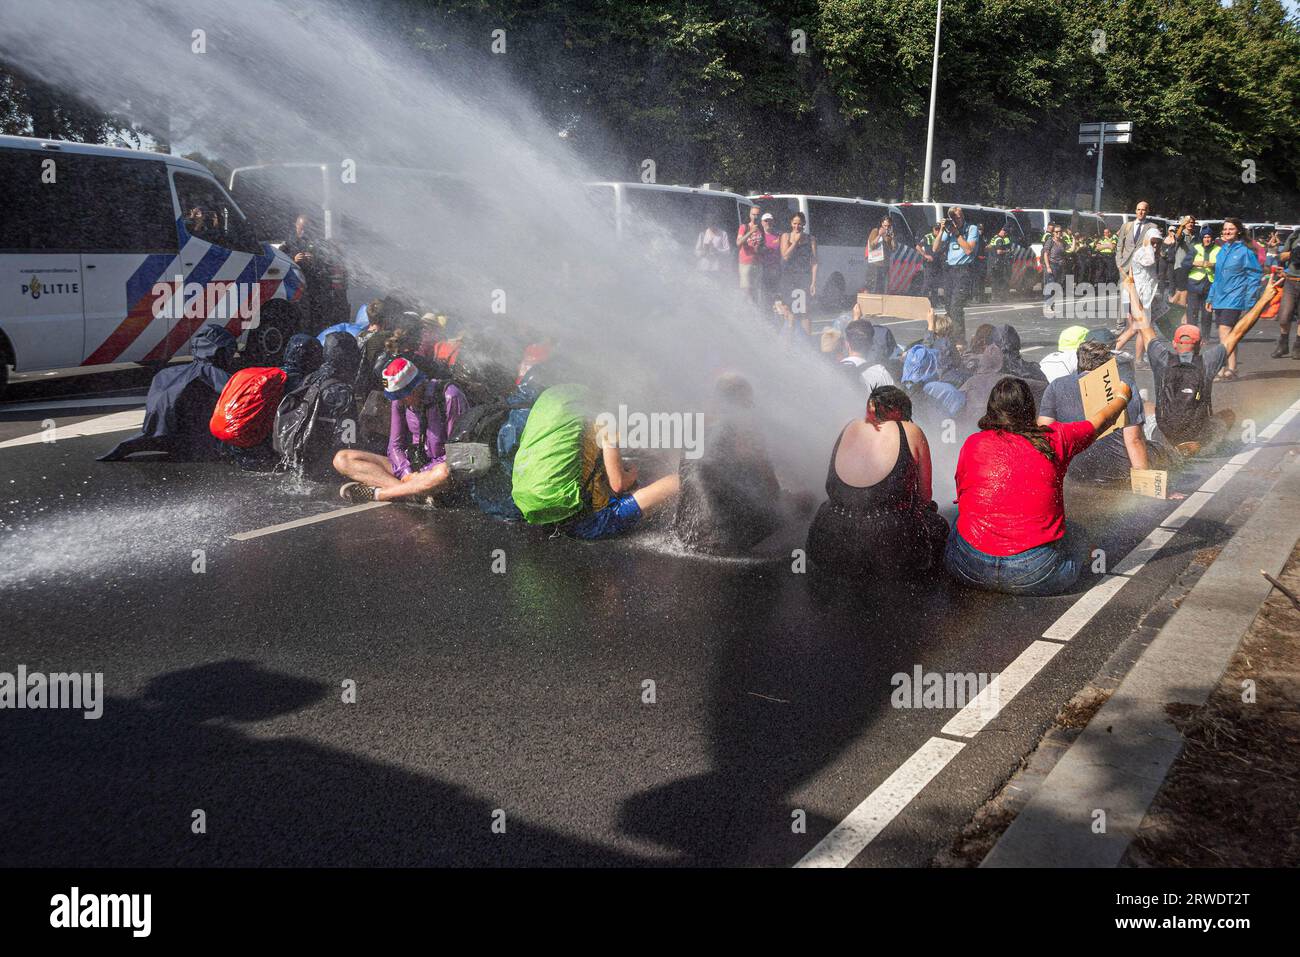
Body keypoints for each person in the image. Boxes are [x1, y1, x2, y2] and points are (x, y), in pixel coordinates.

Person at [944, 375, 1132, 596]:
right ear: (1029, 408)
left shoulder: (973, 443)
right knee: (1078, 535)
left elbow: (964, 494)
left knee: (960, 519)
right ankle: (1084, 567)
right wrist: (1121, 397)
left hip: (969, 567)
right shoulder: (1055, 439)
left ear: (992, 408)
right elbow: (1100, 422)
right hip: (1034, 572)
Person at [806, 385, 949, 579]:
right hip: (885, 547)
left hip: (828, 540)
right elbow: (925, 496)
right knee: (938, 524)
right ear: (898, 411)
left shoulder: (848, 425)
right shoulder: (911, 431)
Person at [1133, 274, 1282, 455]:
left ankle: (1159, 446)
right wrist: (1265, 299)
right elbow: (1238, 331)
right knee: (1228, 415)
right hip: (1198, 436)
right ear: (1201, 344)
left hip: (1164, 434)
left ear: (1174, 344)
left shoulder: (1161, 358)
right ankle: (1203, 446)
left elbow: (1143, 324)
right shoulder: (1207, 362)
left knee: (1146, 405)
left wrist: (1131, 288)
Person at [673, 374, 800, 555]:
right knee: (805, 501)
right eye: (749, 402)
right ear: (742, 401)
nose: (752, 407)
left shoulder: (695, 424)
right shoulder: (745, 430)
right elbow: (772, 492)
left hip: (687, 533)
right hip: (726, 540)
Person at [334, 356, 469, 503]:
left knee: (443, 472)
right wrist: (406, 473)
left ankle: (381, 494)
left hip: (436, 470)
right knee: (342, 459)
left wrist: (422, 473)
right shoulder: (399, 400)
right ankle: (416, 494)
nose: (400, 400)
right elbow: (394, 446)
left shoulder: (450, 396)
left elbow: (457, 453)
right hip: (412, 469)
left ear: (417, 386)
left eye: (403, 395)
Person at [98, 324, 238, 462]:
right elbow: (239, 393)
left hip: (161, 435)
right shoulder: (213, 375)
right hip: (196, 441)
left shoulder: (167, 373)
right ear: (221, 352)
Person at [1037, 339, 1149, 483]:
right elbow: (1134, 440)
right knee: (1157, 449)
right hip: (1116, 474)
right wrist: (1145, 488)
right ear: (1109, 366)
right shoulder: (1124, 387)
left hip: (1074, 473)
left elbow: (1044, 433)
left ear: (1079, 362)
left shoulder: (1056, 386)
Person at [277, 330, 362, 481]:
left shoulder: (311, 377)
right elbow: (348, 438)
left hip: (302, 455)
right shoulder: (342, 390)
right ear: (350, 357)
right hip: (325, 467)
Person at [1206, 218, 1263, 380]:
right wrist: (1210, 297)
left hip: (1235, 297)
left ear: (1238, 231)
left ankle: (1222, 367)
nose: (1227, 232)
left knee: (1224, 331)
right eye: (1224, 229)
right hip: (1220, 297)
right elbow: (1217, 278)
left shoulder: (1245, 251)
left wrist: (1250, 300)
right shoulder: (1222, 250)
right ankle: (1232, 367)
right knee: (1227, 333)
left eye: (1230, 229)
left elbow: (1255, 276)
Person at [281, 213, 347, 332]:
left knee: (316, 310)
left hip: (312, 282)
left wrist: (314, 258)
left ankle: (316, 329)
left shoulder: (315, 241)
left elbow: (324, 260)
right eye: (301, 227)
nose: (303, 231)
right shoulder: (289, 241)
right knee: (299, 312)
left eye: (306, 228)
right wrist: (294, 259)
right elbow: (281, 258)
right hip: (294, 283)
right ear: (296, 226)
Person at [933, 206, 979, 340]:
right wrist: (942, 230)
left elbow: (969, 250)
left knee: (956, 306)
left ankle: (959, 339)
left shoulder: (971, 228)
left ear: (963, 216)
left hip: (964, 270)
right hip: (950, 270)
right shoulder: (949, 229)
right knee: (948, 305)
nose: (956, 220)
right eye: (953, 218)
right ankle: (949, 337)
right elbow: (935, 248)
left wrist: (957, 233)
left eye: (958, 217)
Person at [841, 318, 897, 392]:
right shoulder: (880, 373)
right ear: (871, 344)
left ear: (846, 343)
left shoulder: (832, 370)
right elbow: (896, 401)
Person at [1185, 228, 1219, 343]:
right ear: (1202, 238)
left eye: (1209, 237)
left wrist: (1212, 265)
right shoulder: (1195, 248)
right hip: (1195, 283)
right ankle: (1192, 336)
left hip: (1210, 284)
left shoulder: (1218, 249)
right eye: (1205, 237)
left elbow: (1223, 266)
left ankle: (1205, 337)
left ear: (1212, 238)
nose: (1207, 239)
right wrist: (1195, 263)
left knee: (1207, 313)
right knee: (1192, 312)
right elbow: (1184, 264)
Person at [780, 211, 818, 304]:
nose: (797, 226)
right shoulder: (786, 236)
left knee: (804, 311)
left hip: (804, 277)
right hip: (788, 277)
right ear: (791, 223)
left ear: (804, 224)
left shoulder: (811, 239)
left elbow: (814, 262)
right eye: (794, 223)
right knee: (790, 309)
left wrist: (813, 282)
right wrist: (795, 242)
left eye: (799, 224)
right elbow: (785, 256)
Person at [1274, 224, 1300, 358]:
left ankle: (1298, 346)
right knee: (1284, 316)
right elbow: (1281, 256)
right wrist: (1293, 253)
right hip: (1291, 280)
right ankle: (1283, 344)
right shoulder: (1295, 235)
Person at [737, 204, 765, 301]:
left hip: (757, 263)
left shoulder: (762, 229)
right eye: (753, 214)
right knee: (746, 289)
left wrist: (760, 248)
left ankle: (755, 311)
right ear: (750, 215)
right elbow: (738, 242)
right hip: (745, 263)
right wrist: (750, 232)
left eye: (757, 215)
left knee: (756, 290)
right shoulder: (744, 227)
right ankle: (744, 310)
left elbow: (763, 246)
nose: (755, 217)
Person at [865, 216, 896, 294]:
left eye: (888, 226)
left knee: (882, 288)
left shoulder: (889, 234)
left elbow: (893, 249)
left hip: (885, 264)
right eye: (885, 226)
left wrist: (892, 239)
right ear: (882, 224)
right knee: (873, 287)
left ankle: (880, 304)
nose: (886, 228)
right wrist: (879, 235)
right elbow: (871, 246)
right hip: (875, 264)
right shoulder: (875, 231)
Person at [917, 221, 945, 307]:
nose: (937, 231)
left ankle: (934, 302)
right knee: (927, 283)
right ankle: (922, 301)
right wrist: (925, 255)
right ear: (933, 229)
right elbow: (918, 247)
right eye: (936, 229)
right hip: (928, 264)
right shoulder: (927, 237)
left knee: (935, 284)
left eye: (938, 229)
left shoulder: (942, 237)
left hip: (938, 263)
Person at [759, 212, 784, 304]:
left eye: (770, 221)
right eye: (766, 221)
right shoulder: (759, 235)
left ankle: (777, 311)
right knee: (764, 291)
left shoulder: (779, 235)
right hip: (763, 268)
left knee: (776, 291)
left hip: (776, 268)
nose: (768, 223)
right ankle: (766, 311)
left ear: (773, 222)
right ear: (762, 222)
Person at [1041, 224, 1067, 306]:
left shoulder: (1062, 242)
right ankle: (1048, 305)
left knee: (1057, 285)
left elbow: (1071, 249)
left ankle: (1052, 304)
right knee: (1050, 285)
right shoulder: (1050, 241)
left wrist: (1073, 239)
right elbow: (1045, 254)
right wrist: (1048, 267)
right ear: (1053, 233)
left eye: (1060, 231)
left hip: (1060, 266)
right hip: (1052, 265)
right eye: (1056, 232)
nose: (1058, 233)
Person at [987, 227, 1012, 301]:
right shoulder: (999, 239)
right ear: (1005, 232)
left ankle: (994, 296)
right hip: (997, 262)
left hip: (992, 261)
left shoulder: (995, 237)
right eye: (1006, 234)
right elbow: (999, 251)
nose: (1005, 235)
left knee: (994, 280)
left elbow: (989, 247)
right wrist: (1007, 251)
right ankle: (997, 296)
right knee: (999, 279)